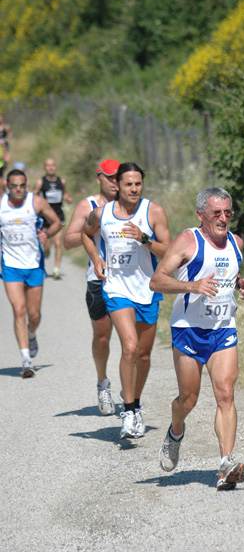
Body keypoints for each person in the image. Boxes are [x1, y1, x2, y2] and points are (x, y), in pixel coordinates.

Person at [149, 187, 244, 490]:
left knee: (225, 392)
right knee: (189, 399)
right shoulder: (188, 241)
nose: (223, 219)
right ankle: (175, 431)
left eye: (227, 213)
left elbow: (229, 277)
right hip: (188, 329)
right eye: (216, 213)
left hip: (223, 328)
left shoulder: (236, 243)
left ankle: (225, 464)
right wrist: (192, 286)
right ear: (201, 215)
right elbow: (157, 281)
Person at [82, 162, 172, 439]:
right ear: (117, 186)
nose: (133, 189)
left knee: (143, 355)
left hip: (146, 288)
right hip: (116, 288)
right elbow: (86, 234)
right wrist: (96, 258)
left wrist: (145, 238)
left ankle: (135, 400)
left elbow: (169, 251)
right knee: (130, 347)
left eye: (138, 184)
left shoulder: (153, 212)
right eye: (128, 184)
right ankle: (129, 412)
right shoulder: (101, 213)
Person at [63, 158, 121, 416]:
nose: (114, 182)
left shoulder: (131, 205)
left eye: (118, 177)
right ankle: (103, 384)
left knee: (134, 344)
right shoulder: (88, 205)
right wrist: (93, 227)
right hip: (98, 279)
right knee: (102, 337)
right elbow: (68, 241)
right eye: (109, 177)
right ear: (99, 178)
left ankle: (130, 394)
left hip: (130, 281)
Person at [0, 169, 61, 377]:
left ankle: (32, 333)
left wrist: (47, 234)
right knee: (19, 309)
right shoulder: (1, 205)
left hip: (34, 264)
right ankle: (26, 360)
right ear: (8, 187)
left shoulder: (35, 203)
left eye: (22, 186)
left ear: (26, 186)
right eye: (15, 186)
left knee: (33, 314)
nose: (19, 189)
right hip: (10, 265)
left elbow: (56, 223)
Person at [34, 158, 72, 279]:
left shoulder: (62, 181)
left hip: (59, 215)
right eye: (48, 166)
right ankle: (46, 252)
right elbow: (34, 195)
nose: (51, 168)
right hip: (46, 216)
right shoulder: (41, 182)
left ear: (55, 167)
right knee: (46, 244)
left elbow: (64, 193)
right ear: (45, 168)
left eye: (53, 166)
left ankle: (56, 270)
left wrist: (67, 198)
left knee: (57, 242)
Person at [0, 115, 11, 197]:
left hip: (4, 147)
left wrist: (8, 138)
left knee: (5, 165)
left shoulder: (5, 127)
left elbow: (10, 133)